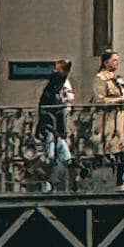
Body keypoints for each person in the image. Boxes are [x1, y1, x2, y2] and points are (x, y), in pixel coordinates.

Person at [89, 48, 124, 177]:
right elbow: (100, 99)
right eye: (114, 60)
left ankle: (121, 179)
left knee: (122, 151)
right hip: (106, 121)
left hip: (119, 119)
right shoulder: (101, 78)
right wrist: (120, 100)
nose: (117, 63)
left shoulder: (116, 79)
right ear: (106, 63)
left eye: (117, 60)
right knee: (110, 150)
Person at [35, 58, 75, 190]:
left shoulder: (58, 84)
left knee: (64, 157)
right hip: (50, 127)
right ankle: (47, 186)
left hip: (57, 128)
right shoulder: (53, 86)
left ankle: (54, 183)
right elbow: (48, 108)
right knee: (50, 157)